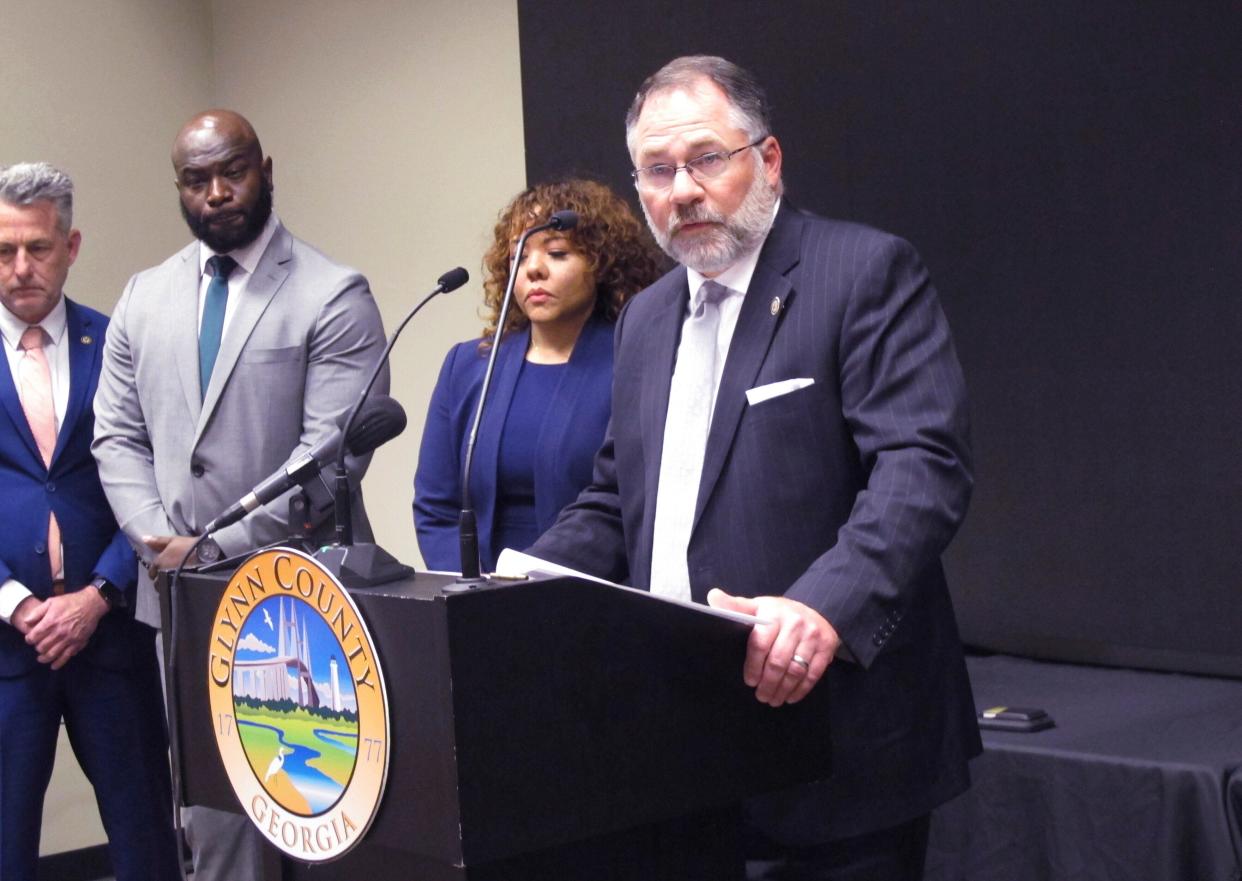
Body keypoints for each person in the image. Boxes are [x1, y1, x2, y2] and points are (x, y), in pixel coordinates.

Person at [527, 56, 980, 880]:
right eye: (658, 171)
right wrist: (517, 584)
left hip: (832, 746)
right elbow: (616, 497)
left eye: (707, 158)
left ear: (767, 161)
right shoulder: (644, 319)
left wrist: (822, 608)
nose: (683, 190)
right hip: (677, 751)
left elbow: (923, 466)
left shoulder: (862, 273)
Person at [92, 110, 387, 881]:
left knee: (316, 820)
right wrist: (159, 542)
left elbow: (329, 458)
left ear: (266, 168)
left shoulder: (332, 292)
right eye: (197, 179)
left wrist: (215, 544)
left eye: (234, 171)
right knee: (217, 827)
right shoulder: (143, 295)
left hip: (298, 606)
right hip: (180, 602)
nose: (218, 192)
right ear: (179, 187)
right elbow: (115, 437)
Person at [0, 163, 181, 881]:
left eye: (37, 248)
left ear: (71, 246)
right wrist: (17, 605)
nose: (20, 268)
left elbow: (157, 486)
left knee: (144, 838)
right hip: (7, 652)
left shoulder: (117, 344)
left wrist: (98, 594)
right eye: (3, 250)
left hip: (109, 638)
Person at [414, 179, 662, 572]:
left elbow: (630, 507)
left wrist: (529, 583)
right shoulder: (467, 366)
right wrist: (472, 591)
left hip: (595, 595)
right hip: (479, 603)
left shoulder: (636, 365)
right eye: (520, 255)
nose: (534, 270)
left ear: (601, 265)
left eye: (557, 253)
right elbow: (435, 506)